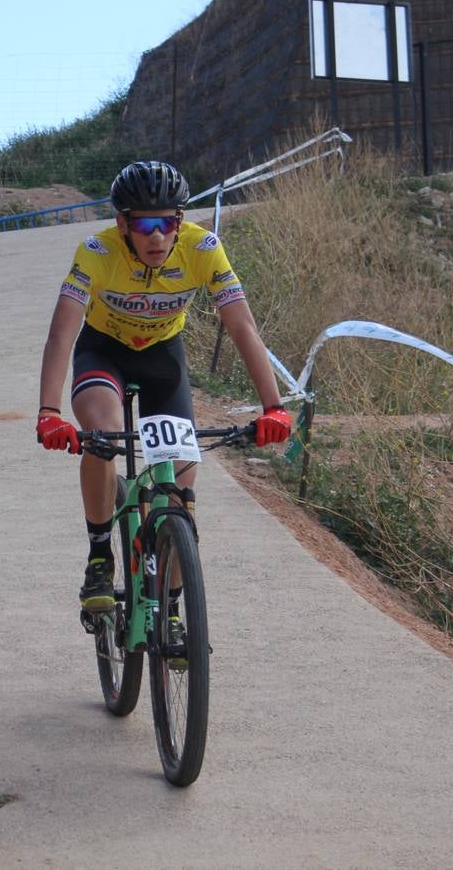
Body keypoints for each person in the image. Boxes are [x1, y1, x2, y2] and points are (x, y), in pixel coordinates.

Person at [36, 160, 292, 612]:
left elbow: (242, 327)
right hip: (104, 351)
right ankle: (100, 555)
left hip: (163, 358)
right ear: (122, 224)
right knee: (103, 436)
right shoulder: (96, 251)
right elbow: (62, 332)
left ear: (181, 222)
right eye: (144, 224)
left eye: (168, 223)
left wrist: (274, 406)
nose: (157, 236)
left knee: (177, 490)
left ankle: (172, 607)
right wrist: (49, 412)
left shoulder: (203, 247)